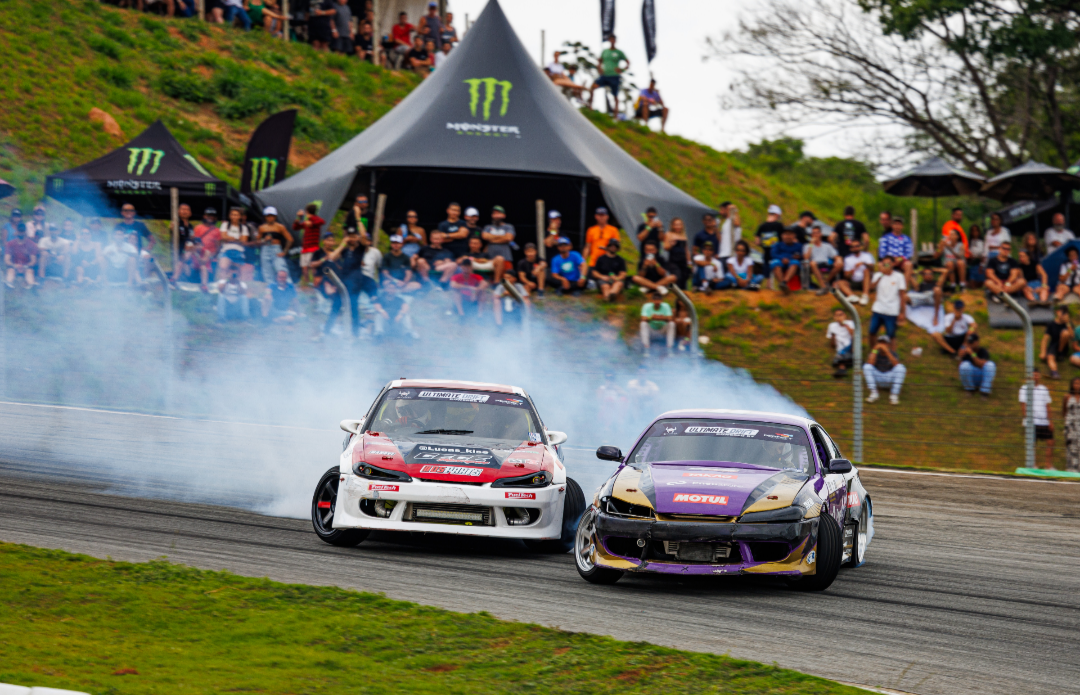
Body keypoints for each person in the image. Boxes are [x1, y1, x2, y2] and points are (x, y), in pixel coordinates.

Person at [324, 228, 380, 338]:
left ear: (357, 237)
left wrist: (358, 218)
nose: (352, 238)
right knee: (336, 306)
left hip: (355, 284)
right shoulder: (345, 250)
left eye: (354, 236)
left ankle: (356, 335)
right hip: (343, 282)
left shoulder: (360, 249)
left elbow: (364, 238)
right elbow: (332, 257)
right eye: (350, 236)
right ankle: (326, 332)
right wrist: (343, 244)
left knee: (353, 308)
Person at [1019, 370, 1054, 469]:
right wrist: (1027, 418)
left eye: (1037, 375)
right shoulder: (1024, 388)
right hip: (1032, 421)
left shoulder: (1044, 389)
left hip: (1044, 421)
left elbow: (1048, 406)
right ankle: (1033, 465)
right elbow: (1023, 405)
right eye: (1034, 375)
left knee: (1050, 441)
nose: (1036, 377)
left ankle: (1048, 465)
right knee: (1032, 443)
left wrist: (1050, 421)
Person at [869, 257, 907, 344]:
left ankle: (892, 355)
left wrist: (902, 312)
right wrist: (881, 275)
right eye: (884, 263)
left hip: (892, 311)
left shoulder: (899, 276)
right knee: (872, 332)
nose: (886, 265)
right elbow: (871, 288)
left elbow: (902, 295)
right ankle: (873, 352)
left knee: (891, 335)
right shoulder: (877, 275)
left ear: (893, 264)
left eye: (888, 263)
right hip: (878, 309)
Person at [864, 335, 906, 405]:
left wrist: (887, 351)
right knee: (866, 366)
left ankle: (894, 395)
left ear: (888, 344)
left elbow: (896, 365)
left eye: (884, 343)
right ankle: (874, 393)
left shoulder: (893, 353)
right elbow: (870, 364)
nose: (882, 345)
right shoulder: (874, 353)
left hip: (890, 379)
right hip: (878, 378)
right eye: (880, 342)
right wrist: (875, 349)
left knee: (901, 368)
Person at [593, 34, 628, 114]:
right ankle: (590, 108)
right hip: (605, 75)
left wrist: (622, 70)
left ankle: (616, 116)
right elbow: (599, 61)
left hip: (614, 76)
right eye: (611, 39)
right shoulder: (605, 51)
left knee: (615, 96)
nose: (612, 41)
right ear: (609, 40)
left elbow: (628, 63)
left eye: (613, 39)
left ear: (615, 41)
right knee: (593, 87)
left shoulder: (619, 52)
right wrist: (599, 68)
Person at [257, 206, 292, 284]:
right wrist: (264, 240)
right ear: (265, 217)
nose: (270, 218)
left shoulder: (280, 227)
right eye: (268, 216)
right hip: (265, 249)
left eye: (272, 215)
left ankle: (288, 286)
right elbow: (257, 241)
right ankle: (271, 289)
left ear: (275, 216)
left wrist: (285, 251)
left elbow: (290, 239)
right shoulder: (262, 228)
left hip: (276, 249)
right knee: (267, 271)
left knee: (282, 269)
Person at [481, 205, 515, 283]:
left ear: (504, 215)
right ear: (492, 215)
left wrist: (492, 239)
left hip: (506, 257)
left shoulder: (509, 227)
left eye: (499, 213)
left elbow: (509, 238)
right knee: (489, 280)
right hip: (490, 258)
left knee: (507, 280)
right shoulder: (488, 227)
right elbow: (484, 236)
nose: (496, 215)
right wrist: (502, 238)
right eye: (494, 213)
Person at [879, 216, 915, 287]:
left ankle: (903, 288)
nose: (897, 226)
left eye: (899, 224)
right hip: (889, 262)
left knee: (909, 265)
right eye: (895, 224)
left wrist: (900, 259)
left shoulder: (906, 239)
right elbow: (882, 253)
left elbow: (909, 253)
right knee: (880, 265)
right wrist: (891, 260)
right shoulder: (885, 237)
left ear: (902, 226)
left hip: (901, 262)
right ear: (892, 226)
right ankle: (884, 287)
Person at [293, 204, 324, 284]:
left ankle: (315, 284)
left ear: (307, 211)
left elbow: (322, 221)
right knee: (304, 268)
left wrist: (311, 222)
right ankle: (307, 284)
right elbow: (295, 227)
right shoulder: (307, 221)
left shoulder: (315, 219)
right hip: (305, 248)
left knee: (312, 267)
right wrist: (298, 217)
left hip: (313, 248)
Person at [836, 238, 874, 304]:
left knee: (866, 270)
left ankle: (865, 296)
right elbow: (846, 276)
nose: (855, 248)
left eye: (857, 246)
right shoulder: (848, 259)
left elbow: (872, 268)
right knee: (839, 283)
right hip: (853, 281)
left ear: (860, 246)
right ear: (851, 248)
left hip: (866, 281)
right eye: (853, 246)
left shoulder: (867, 255)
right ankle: (852, 296)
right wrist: (851, 271)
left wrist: (864, 263)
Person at [218, 207, 250, 280]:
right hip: (226, 251)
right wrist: (238, 239)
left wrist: (230, 238)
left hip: (238, 252)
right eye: (232, 214)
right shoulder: (225, 225)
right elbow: (223, 237)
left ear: (240, 216)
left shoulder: (244, 228)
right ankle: (222, 285)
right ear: (230, 216)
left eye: (236, 215)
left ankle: (236, 288)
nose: (234, 216)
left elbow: (244, 241)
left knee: (237, 273)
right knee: (223, 268)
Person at [805, 225, 840, 294]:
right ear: (811, 235)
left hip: (825, 264)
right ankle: (823, 286)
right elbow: (806, 257)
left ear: (821, 234)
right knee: (813, 263)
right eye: (814, 233)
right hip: (813, 265)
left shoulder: (827, 245)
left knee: (840, 263)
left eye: (817, 232)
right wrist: (811, 244)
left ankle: (826, 281)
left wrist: (838, 260)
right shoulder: (807, 246)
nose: (816, 235)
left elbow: (835, 255)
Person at [1041, 306, 1073, 378]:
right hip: (1053, 344)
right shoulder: (1051, 324)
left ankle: (1060, 353)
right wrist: (1043, 352)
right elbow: (1045, 339)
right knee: (1050, 357)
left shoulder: (1068, 324)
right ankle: (1054, 372)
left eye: (1065, 313)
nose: (1064, 315)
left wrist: (1068, 323)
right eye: (1063, 312)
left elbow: (1071, 336)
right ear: (1057, 312)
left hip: (1064, 347)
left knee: (1065, 333)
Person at [4, 223, 38, 289]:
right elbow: (7, 260)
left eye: (22, 231)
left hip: (26, 267)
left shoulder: (31, 244)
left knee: (29, 271)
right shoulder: (10, 244)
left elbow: (33, 260)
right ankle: (8, 284)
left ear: (25, 231)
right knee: (11, 270)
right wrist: (14, 265)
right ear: (17, 231)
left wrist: (26, 266)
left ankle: (31, 285)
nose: (21, 233)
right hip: (14, 266)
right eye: (20, 231)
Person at [640, 292, 674, 356]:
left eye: (658, 300)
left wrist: (661, 318)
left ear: (661, 301)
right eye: (655, 300)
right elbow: (642, 318)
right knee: (643, 324)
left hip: (662, 329)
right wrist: (651, 317)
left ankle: (670, 346)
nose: (657, 302)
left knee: (671, 324)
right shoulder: (646, 306)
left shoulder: (666, 305)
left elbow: (670, 318)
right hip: (651, 330)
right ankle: (646, 346)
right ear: (652, 300)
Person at [769, 228, 802, 294]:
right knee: (775, 263)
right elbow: (773, 254)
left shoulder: (799, 246)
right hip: (780, 261)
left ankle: (784, 282)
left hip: (792, 262)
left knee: (795, 263)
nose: (788, 236)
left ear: (794, 236)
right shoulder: (778, 245)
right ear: (782, 236)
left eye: (790, 234)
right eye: (786, 234)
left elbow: (801, 256)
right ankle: (783, 286)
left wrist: (796, 257)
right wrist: (782, 258)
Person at [826, 309, 855, 377]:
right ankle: (843, 367)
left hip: (850, 345)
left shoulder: (851, 323)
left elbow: (854, 335)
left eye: (841, 315)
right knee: (842, 353)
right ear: (834, 317)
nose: (839, 317)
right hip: (840, 348)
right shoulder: (832, 326)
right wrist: (833, 336)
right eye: (837, 315)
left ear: (845, 316)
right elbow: (832, 345)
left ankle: (842, 368)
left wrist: (846, 325)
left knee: (840, 356)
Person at [1063, 378, 1080, 472]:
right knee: (1071, 448)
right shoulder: (1068, 396)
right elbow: (1064, 411)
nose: (1077, 385)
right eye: (1076, 383)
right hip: (1070, 427)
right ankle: (1071, 470)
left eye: (1079, 383)